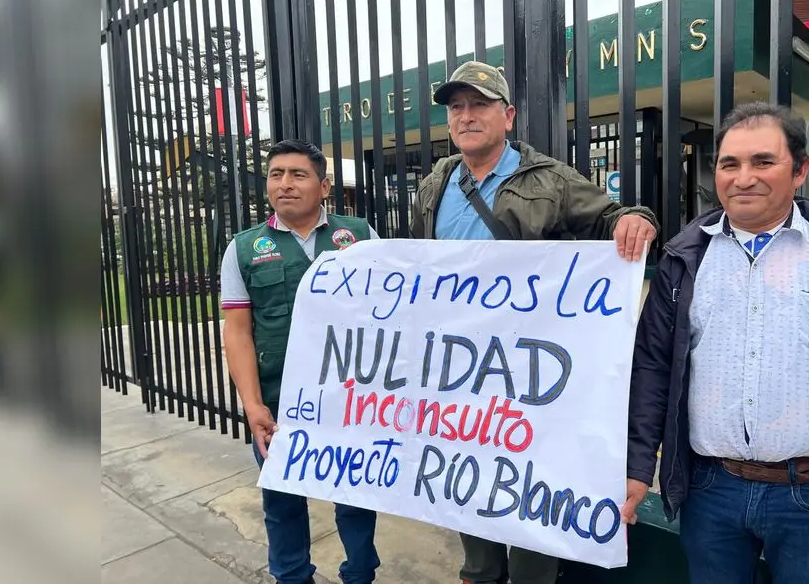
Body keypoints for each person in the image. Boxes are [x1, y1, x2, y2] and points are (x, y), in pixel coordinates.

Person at [409, 60, 660, 584]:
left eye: (479, 104)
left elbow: (614, 216)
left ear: (509, 115)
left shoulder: (548, 178)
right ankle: (479, 571)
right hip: (457, 368)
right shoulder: (435, 183)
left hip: (528, 371)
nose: (466, 116)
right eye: (457, 107)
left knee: (531, 481)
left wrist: (638, 219)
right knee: (466, 474)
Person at [622, 102, 809, 583]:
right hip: (709, 491)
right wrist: (638, 469)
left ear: (800, 170)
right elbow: (653, 369)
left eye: (763, 162)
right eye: (730, 164)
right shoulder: (686, 259)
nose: (744, 178)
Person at [221, 139, 381, 584]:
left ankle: (360, 574)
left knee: (354, 497)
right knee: (283, 501)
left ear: (324, 186)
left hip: (351, 402)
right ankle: (292, 576)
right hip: (279, 403)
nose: (285, 184)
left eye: (298, 174)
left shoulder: (360, 236)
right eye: (276, 174)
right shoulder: (244, 248)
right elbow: (236, 332)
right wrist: (253, 405)